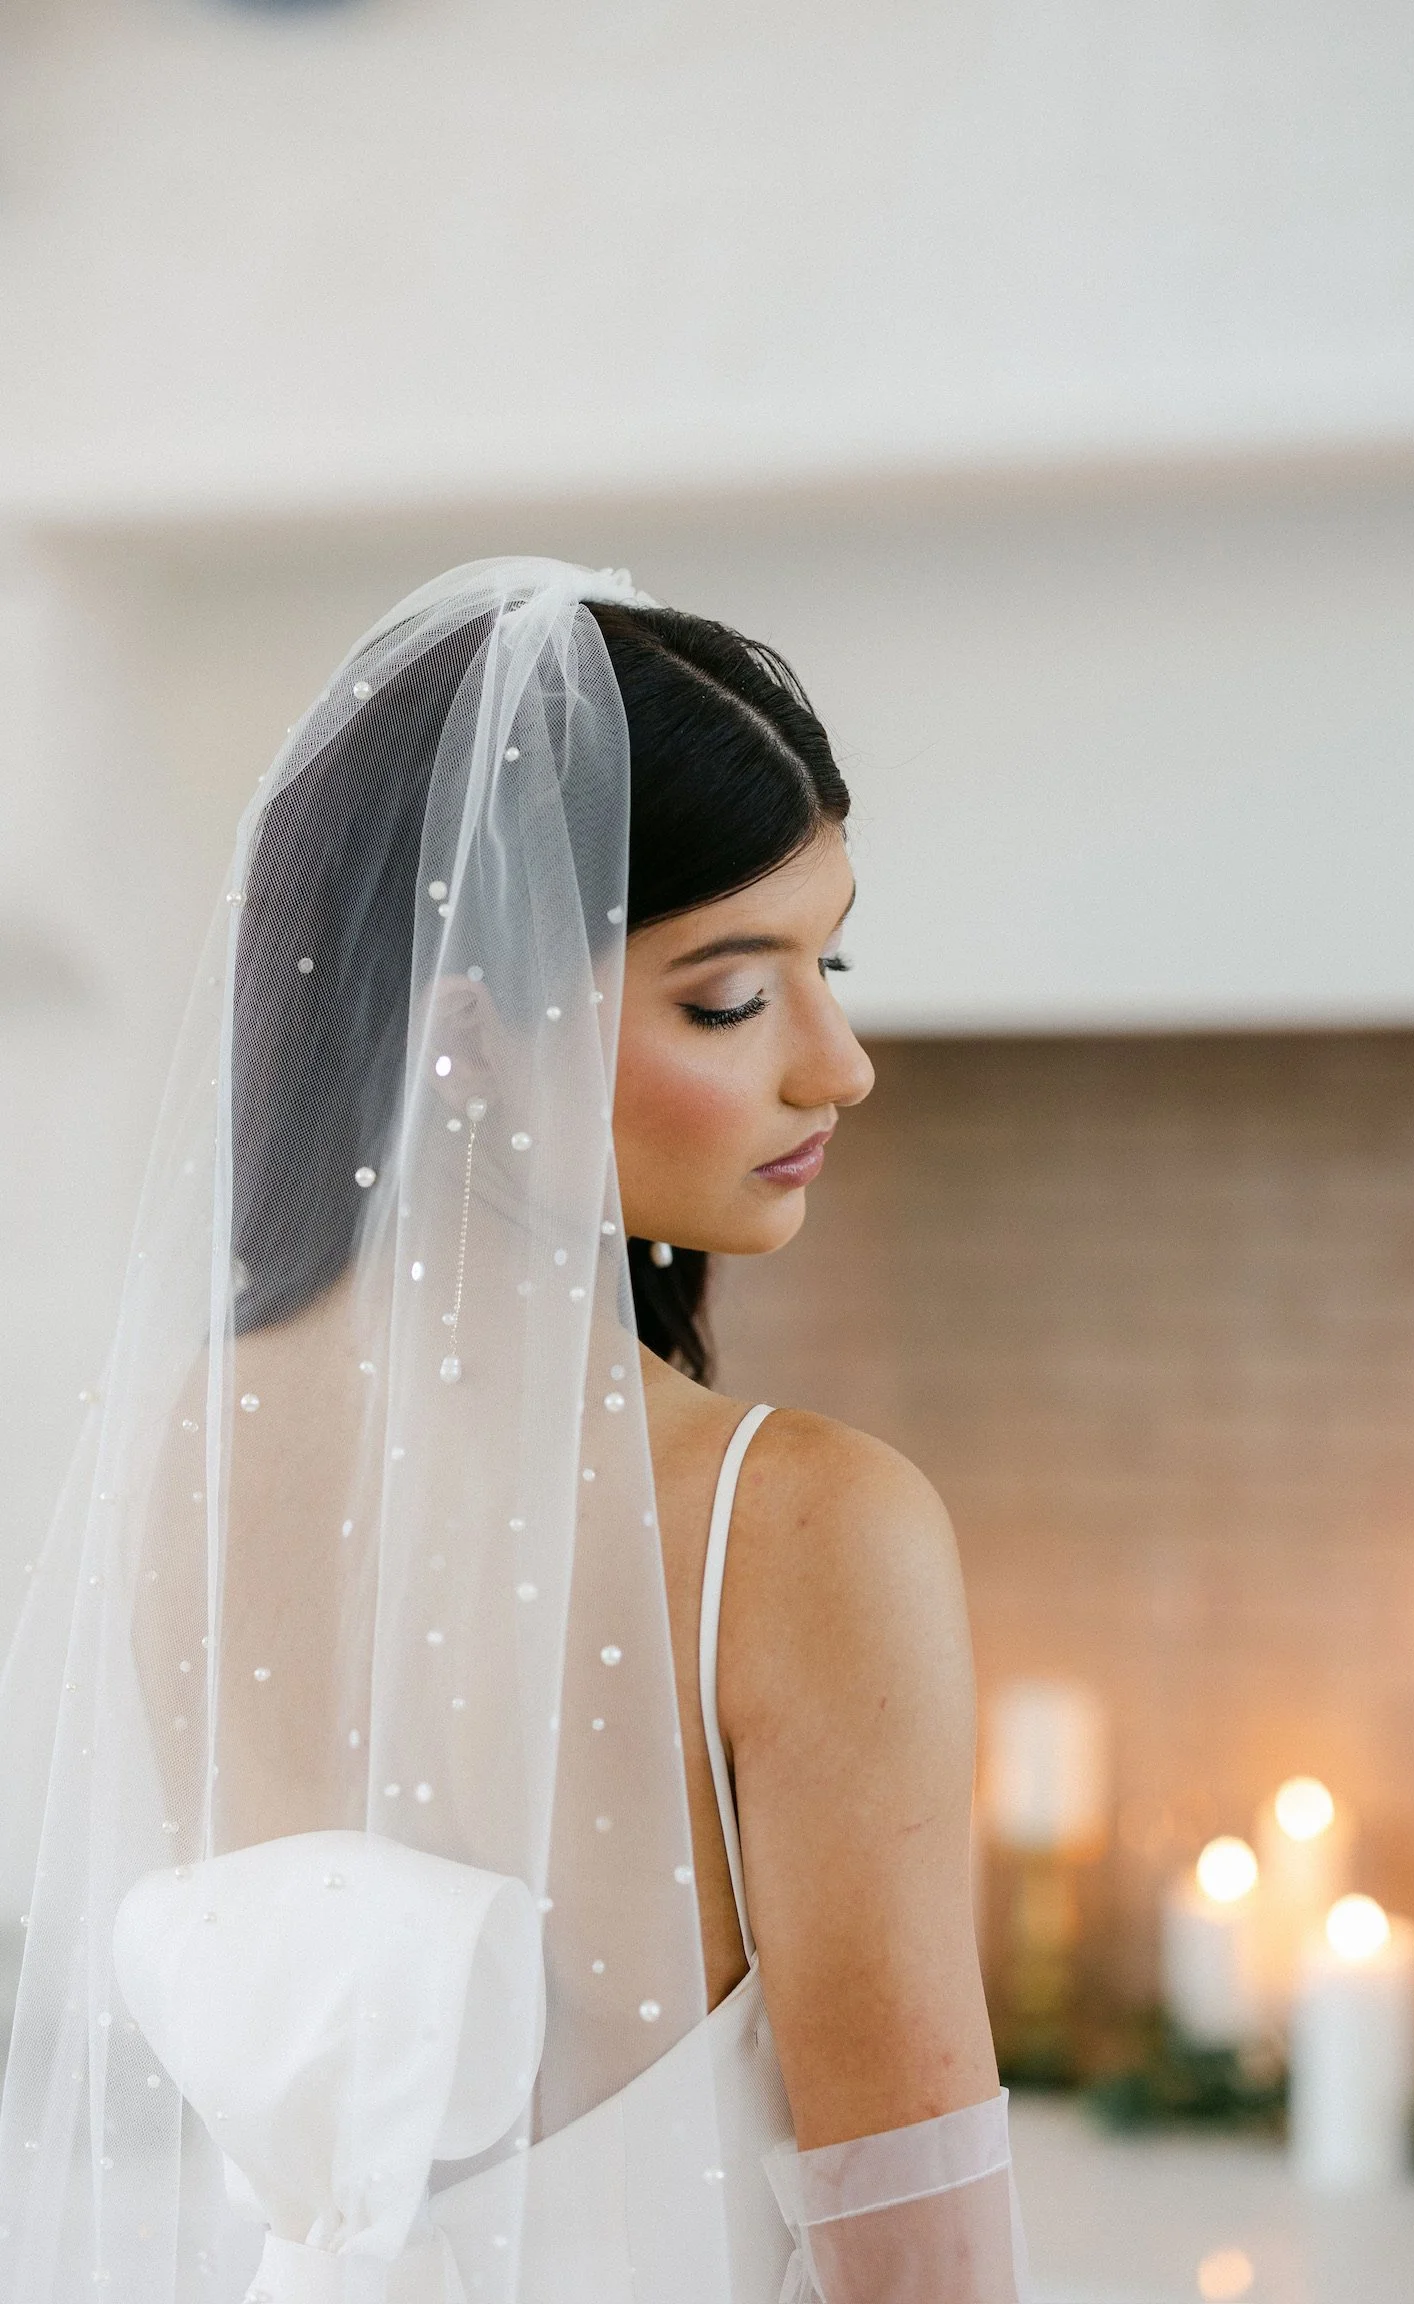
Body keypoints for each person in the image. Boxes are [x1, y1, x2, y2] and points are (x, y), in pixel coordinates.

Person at [0, 560, 1026, 2301]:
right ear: (471, 1035)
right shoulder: (794, 1527)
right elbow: (919, 2268)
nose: (839, 1064)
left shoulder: (189, 1448)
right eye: (732, 995)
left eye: (827, 963)